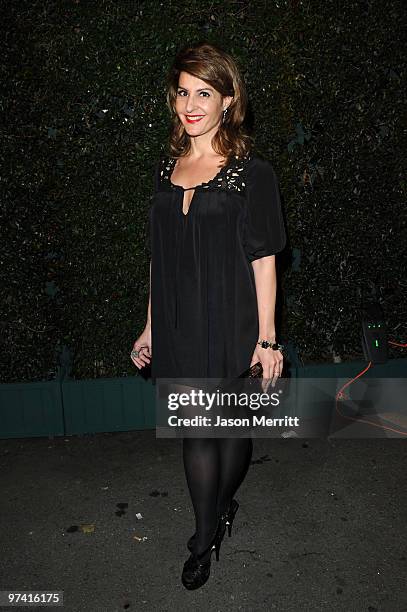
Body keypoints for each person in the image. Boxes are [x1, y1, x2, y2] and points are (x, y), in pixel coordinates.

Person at [130, 41, 287, 590]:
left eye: (204, 92)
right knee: (197, 432)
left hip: (234, 319)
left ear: (227, 100)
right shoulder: (165, 167)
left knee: (232, 433)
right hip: (178, 321)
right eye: (182, 91)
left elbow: (264, 259)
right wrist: (150, 324)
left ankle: (221, 508)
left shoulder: (251, 172)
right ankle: (204, 537)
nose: (191, 104)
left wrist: (268, 341)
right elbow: (160, 257)